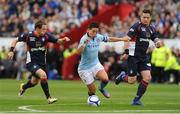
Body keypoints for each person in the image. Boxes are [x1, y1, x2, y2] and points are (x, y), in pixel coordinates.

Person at [7, 20, 70, 104]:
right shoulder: (28, 35)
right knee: (43, 75)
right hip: (31, 63)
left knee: (34, 82)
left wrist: (64, 39)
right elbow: (15, 40)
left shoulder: (46, 36)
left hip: (41, 64)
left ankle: (23, 87)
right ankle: (49, 98)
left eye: (46, 29)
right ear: (37, 28)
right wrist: (11, 51)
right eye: (43, 29)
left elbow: (58, 41)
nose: (45, 31)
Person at [115, 9, 161, 105]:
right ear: (141, 17)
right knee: (132, 80)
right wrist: (126, 52)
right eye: (144, 17)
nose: (145, 19)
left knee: (147, 77)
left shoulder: (152, 29)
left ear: (150, 18)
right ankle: (123, 76)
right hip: (133, 56)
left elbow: (155, 38)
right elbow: (127, 39)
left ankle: (136, 100)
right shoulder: (136, 26)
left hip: (144, 57)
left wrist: (158, 43)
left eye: (147, 17)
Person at [76, 22, 129, 99]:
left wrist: (122, 39)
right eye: (93, 31)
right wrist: (83, 44)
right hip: (84, 69)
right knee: (93, 90)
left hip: (95, 64)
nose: (95, 33)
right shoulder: (84, 39)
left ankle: (101, 88)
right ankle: (91, 96)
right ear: (88, 30)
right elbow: (78, 52)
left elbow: (109, 39)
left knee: (105, 79)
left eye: (96, 31)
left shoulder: (98, 37)